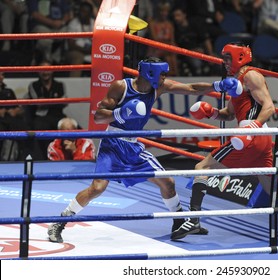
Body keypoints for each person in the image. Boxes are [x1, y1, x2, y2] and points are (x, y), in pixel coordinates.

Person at [47, 56, 243, 243]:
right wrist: (122, 113)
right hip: (112, 143)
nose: (165, 78)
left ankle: (180, 222)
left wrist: (217, 86)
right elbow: (98, 117)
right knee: (97, 188)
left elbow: (190, 88)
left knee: (168, 182)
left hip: (133, 146)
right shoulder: (121, 87)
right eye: (162, 74)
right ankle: (59, 222)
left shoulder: (158, 88)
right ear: (150, 73)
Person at [171, 43, 278, 241]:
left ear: (239, 57)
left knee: (202, 166)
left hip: (251, 135)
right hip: (257, 137)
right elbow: (230, 114)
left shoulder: (251, 75)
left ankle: (194, 219)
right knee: (270, 187)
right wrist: (211, 113)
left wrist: (252, 128)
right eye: (223, 58)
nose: (224, 62)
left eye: (227, 58)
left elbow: (269, 108)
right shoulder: (237, 81)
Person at [24, 59, 68, 160]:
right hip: (41, 118)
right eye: (42, 69)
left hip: (58, 116)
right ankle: (44, 159)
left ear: (52, 70)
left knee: (73, 126)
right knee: (40, 127)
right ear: (38, 72)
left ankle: (69, 158)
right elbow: (37, 103)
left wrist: (46, 101)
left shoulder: (60, 85)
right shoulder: (34, 85)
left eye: (48, 69)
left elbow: (65, 102)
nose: (45, 72)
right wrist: (55, 101)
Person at [0, 72, 29, 161]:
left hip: (11, 120)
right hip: (1, 121)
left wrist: (16, 111)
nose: (1, 77)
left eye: (2, 75)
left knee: (24, 127)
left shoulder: (8, 91)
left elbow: (20, 109)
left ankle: (22, 158)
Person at [65, 1, 95, 77]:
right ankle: (74, 83)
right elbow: (71, 45)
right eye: (81, 11)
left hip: (92, 51)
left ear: (90, 14)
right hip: (75, 51)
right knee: (78, 57)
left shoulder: (95, 24)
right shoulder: (73, 23)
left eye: (85, 12)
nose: (82, 14)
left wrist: (92, 50)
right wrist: (86, 50)